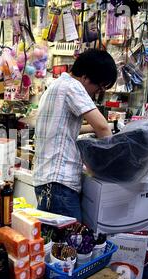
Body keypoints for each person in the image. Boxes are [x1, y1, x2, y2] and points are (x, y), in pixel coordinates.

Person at [33, 49, 117, 222]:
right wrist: (113, 163)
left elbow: (66, 129)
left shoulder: (55, 86)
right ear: (85, 77)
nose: (96, 93)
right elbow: (102, 128)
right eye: (98, 87)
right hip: (59, 185)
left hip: (47, 182)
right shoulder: (73, 86)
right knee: (71, 246)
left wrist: (99, 128)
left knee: (55, 245)